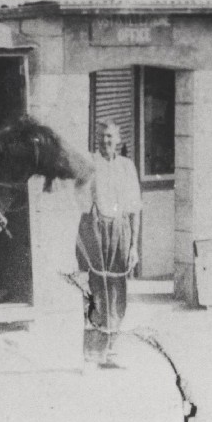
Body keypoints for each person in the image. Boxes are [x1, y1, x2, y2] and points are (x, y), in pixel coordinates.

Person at [75, 121, 141, 368]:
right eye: (102, 137)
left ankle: (112, 350)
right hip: (96, 230)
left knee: (117, 290)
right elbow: (80, 205)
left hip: (121, 232)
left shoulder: (127, 167)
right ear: (97, 140)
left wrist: (134, 246)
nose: (106, 141)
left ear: (119, 140)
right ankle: (92, 353)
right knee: (96, 290)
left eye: (111, 137)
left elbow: (135, 209)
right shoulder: (90, 165)